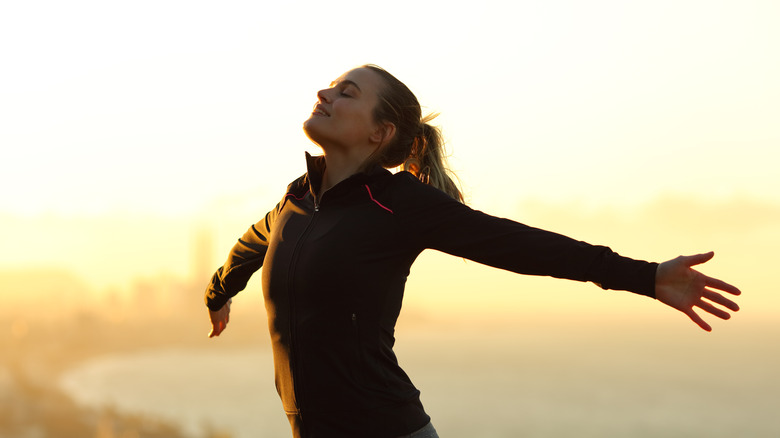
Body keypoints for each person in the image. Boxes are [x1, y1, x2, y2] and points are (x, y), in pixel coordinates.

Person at [204, 65, 741, 438]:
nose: (325, 96)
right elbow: (251, 245)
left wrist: (645, 277)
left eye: (347, 93)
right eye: (329, 87)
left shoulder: (398, 204)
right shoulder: (297, 200)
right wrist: (219, 290)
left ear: (380, 132)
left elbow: (520, 245)